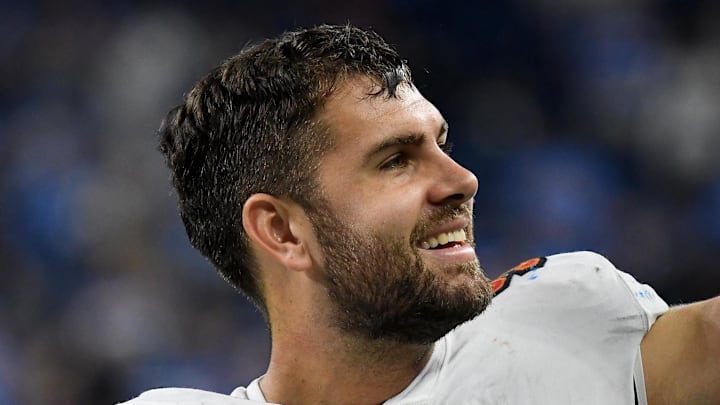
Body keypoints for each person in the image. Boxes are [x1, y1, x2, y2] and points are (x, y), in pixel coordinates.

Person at [119, 24, 720, 405]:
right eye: (396, 161)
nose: (462, 181)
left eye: (441, 144)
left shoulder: (566, 319)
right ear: (282, 231)